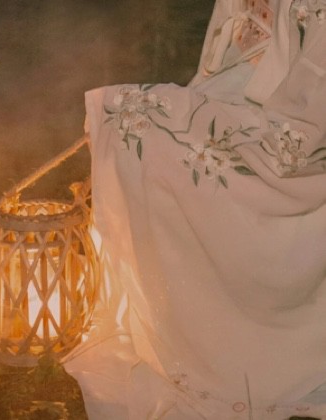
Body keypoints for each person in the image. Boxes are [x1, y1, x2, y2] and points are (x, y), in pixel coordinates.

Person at [64, 0, 326, 418]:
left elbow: (300, 138)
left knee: (139, 124)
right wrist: (183, 107)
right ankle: (174, 322)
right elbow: (229, 62)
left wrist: (162, 114)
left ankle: (221, 348)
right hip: (255, 103)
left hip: (298, 150)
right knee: (138, 124)